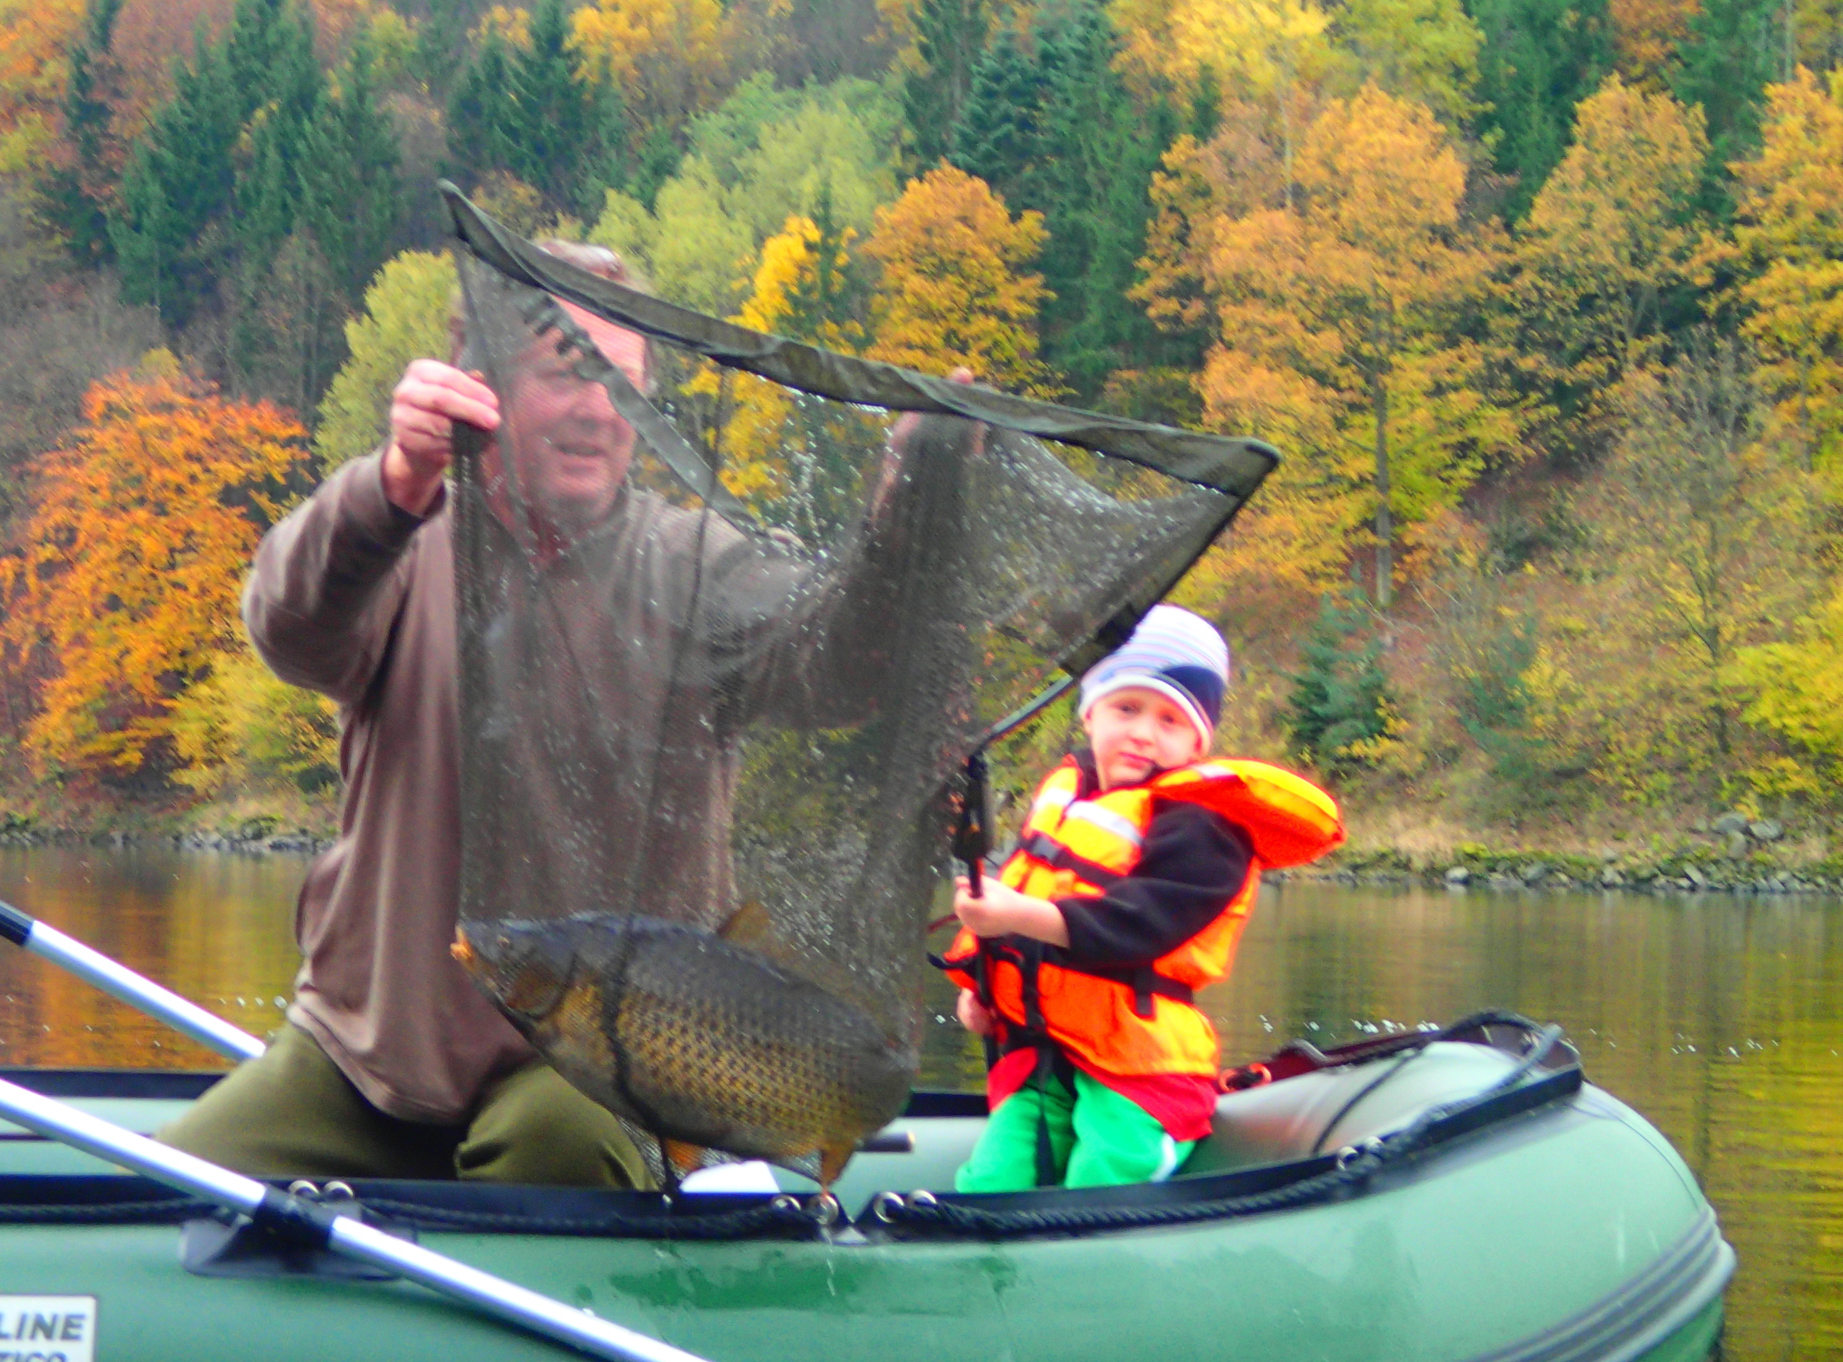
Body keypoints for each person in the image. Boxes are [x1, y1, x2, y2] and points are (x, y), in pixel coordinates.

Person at [157, 242, 956, 1186]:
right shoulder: (401, 543)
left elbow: (850, 665)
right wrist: (396, 479)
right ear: (482, 385)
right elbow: (287, 627)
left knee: (553, 1148)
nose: (598, 410)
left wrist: (910, 508)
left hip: (605, 1063)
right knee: (166, 1193)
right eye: (565, 374)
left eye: (623, 385)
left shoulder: (695, 566)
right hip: (365, 1054)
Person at [940, 605, 1344, 1192]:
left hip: (1143, 1069)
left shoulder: (1205, 829)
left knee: (1106, 1171)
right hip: (1047, 1057)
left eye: (1170, 720)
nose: (1143, 733)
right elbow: (1023, 907)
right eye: (1126, 708)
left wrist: (1019, 915)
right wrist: (979, 990)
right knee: (991, 1179)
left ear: (1198, 742)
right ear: (1090, 715)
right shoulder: (1069, 800)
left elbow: (1137, 925)